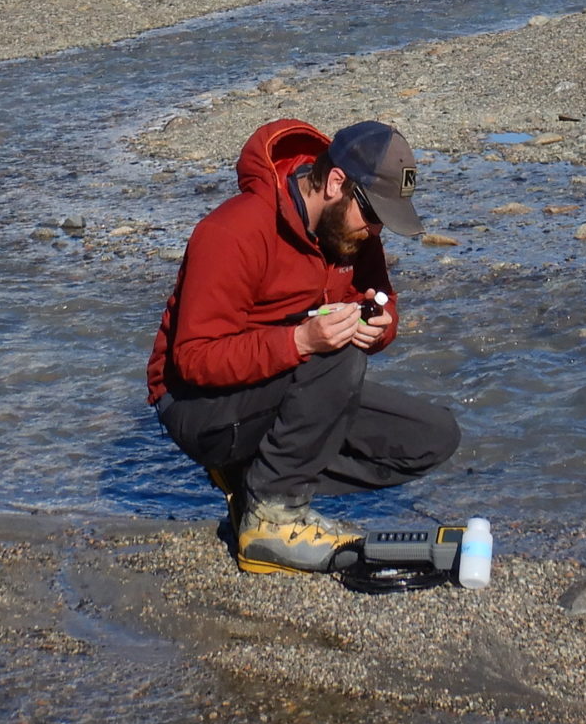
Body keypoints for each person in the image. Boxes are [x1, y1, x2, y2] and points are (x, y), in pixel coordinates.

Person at [146, 117, 461, 573]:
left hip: (286, 386)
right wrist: (300, 339)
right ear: (336, 182)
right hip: (196, 405)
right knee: (338, 352)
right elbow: (194, 360)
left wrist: (383, 324)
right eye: (373, 214)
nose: (375, 231)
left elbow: (379, 299)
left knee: (432, 438)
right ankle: (273, 517)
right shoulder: (234, 231)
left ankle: (255, 482)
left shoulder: (352, 233)